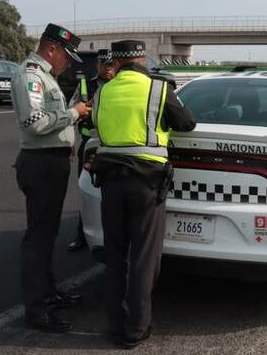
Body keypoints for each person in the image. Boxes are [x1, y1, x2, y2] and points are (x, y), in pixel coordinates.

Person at [92, 40, 196, 348]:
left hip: (110, 182)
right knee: (143, 257)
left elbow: (97, 123)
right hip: (146, 183)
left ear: (117, 62)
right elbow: (187, 123)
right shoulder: (159, 89)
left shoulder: (103, 91)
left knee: (115, 255)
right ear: (142, 59)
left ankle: (115, 324)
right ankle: (137, 328)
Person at [10, 23, 92, 332]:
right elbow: (34, 123)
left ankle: (48, 292)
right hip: (40, 165)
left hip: (52, 161)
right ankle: (36, 310)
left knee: (48, 234)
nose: (68, 63)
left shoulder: (47, 77)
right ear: (52, 49)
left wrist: (65, 140)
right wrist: (74, 114)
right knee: (38, 239)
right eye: (66, 56)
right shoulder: (31, 76)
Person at [67, 49, 116, 252]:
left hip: (114, 146)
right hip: (90, 146)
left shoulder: (121, 86)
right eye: (105, 65)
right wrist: (70, 143)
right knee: (87, 191)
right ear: (98, 65)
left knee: (114, 193)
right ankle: (82, 235)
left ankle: (113, 236)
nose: (109, 70)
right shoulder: (86, 84)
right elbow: (71, 111)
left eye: (112, 66)